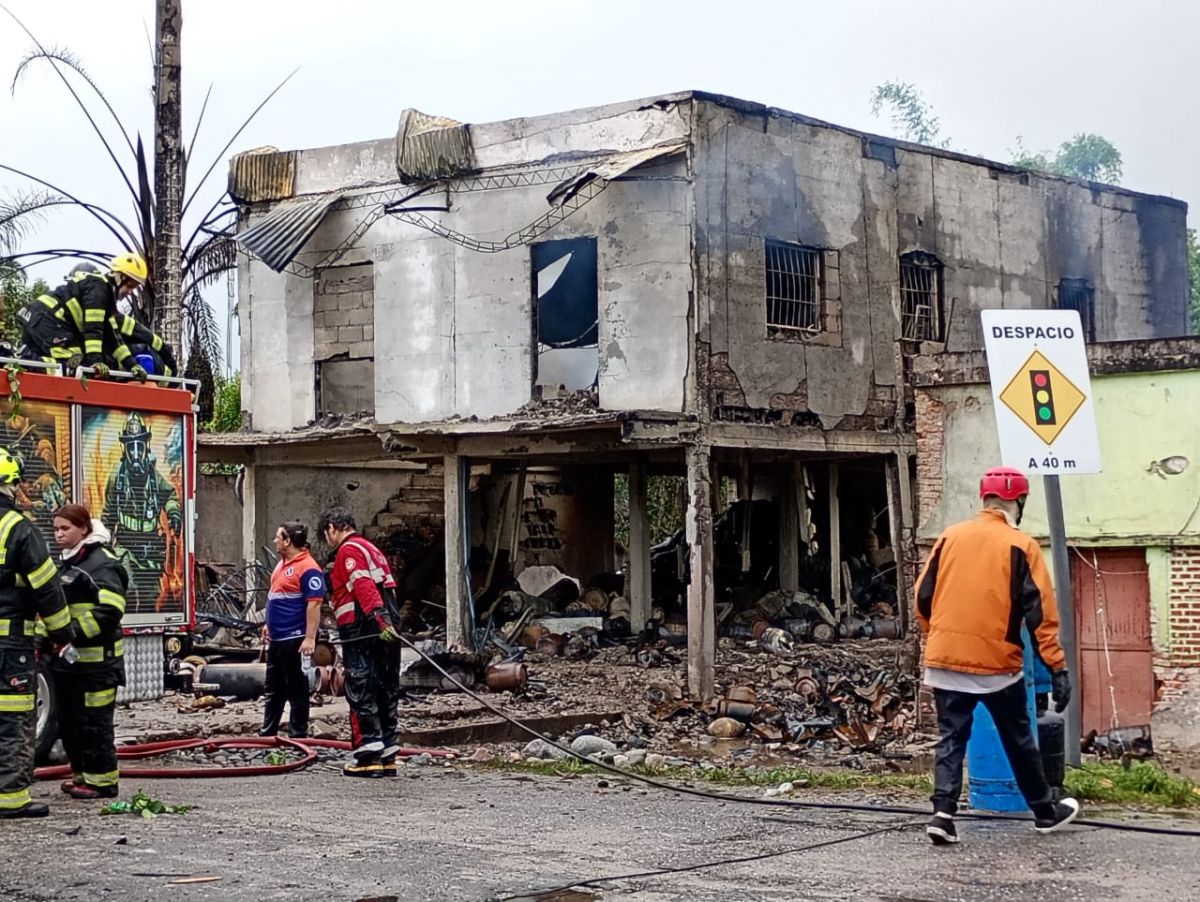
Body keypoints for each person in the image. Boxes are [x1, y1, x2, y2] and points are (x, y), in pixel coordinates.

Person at [915, 466, 1079, 845]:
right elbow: (1042, 615)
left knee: (951, 738)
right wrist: (1057, 668)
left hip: (944, 660)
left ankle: (942, 815)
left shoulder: (949, 537)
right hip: (996, 665)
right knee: (1019, 738)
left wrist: (939, 637)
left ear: (984, 500)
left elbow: (922, 597)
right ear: (1018, 501)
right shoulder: (1021, 545)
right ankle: (1044, 811)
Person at [0, 446, 74, 818]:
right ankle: (10, 798)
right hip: (8, 643)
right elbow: (46, 586)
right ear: (8, 484)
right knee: (12, 715)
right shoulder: (17, 528)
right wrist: (62, 631)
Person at [49, 504, 128, 800]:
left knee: (94, 725)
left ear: (83, 528)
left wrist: (69, 634)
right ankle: (82, 775)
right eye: (56, 529)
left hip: (97, 666)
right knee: (69, 725)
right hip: (68, 665)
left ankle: (103, 783)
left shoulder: (102, 564)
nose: (59, 535)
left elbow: (110, 610)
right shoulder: (67, 563)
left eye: (65, 529)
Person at [317, 506, 402, 777]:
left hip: (362, 628)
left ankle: (368, 754)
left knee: (361, 684)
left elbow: (362, 584)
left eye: (326, 533)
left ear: (332, 527)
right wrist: (387, 623)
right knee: (385, 685)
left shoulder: (349, 551)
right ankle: (387, 750)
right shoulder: (371, 548)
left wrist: (377, 618)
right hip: (385, 626)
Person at [18, 254, 154, 375]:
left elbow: (112, 338)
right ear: (119, 277)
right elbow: (93, 331)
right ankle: (26, 362)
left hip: (43, 320)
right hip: (48, 321)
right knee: (74, 367)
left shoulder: (104, 296)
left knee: (78, 366)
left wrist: (132, 365)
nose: (130, 292)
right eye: (130, 286)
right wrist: (96, 362)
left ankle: (28, 355)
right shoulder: (99, 290)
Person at [103, 412, 182, 606]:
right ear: (125, 447)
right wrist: (102, 542)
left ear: (146, 445)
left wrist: (173, 513)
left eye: (139, 445)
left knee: (149, 598)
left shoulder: (153, 476)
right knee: (127, 589)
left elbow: (170, 495)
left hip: (149, 549)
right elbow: (108, 513)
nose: (136, 452)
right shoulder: (117, 477)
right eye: (131, 446)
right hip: (125, 545)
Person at [259, 522, 325, 739]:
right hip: (278, 638)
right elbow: (277, 597)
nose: (275, 540)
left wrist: (309, 638)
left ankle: (298, 735)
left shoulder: (308, 568)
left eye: (278, 537)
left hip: (294, 639)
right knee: (274, 687)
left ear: (288, 541)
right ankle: (268, 732)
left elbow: (314, 604)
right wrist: (269, 624)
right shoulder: (282, 564)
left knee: (296, 688)